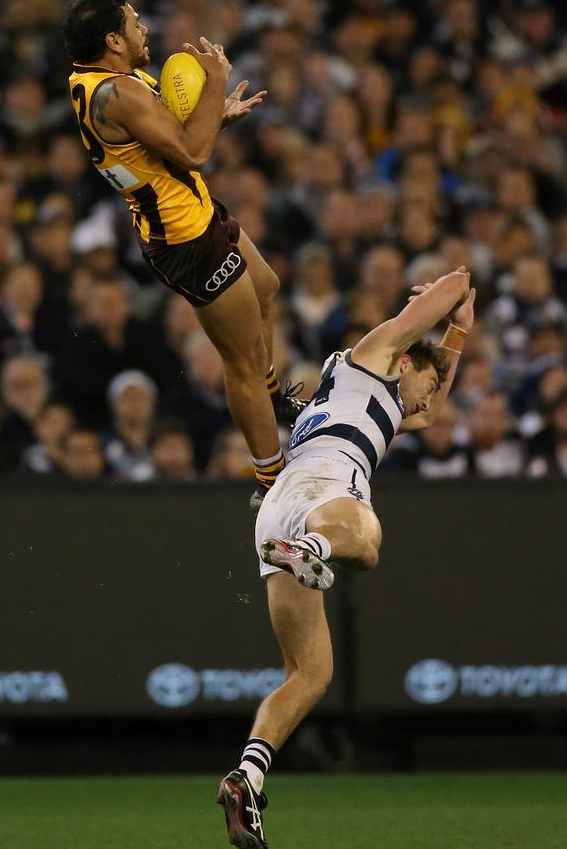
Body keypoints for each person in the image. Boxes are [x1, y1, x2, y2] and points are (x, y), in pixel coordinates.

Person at [217, 267, 476, 849]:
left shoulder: (378, 401)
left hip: (280, 501)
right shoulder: (373, 357)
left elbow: (430, 414)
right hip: (328, 484)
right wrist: (459, 289)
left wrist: (458, 336)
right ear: (406, 362)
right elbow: (441, 294)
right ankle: (310, 550)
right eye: (430, 382)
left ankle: (247, 779)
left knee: (311, 673)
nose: (431, 400)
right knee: (367, 542)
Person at [62, 0, 302, 501]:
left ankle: (274, 397)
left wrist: (216, 113)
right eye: (133, 23)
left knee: (267, 287)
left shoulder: (94, 79)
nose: (142, 27)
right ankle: (271, 479)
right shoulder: (118, 94)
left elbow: (168, 135)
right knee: (241, 360)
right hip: (185, 238)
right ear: (113, 40)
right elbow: (193, 152)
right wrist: (214, 83)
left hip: (197, 215)